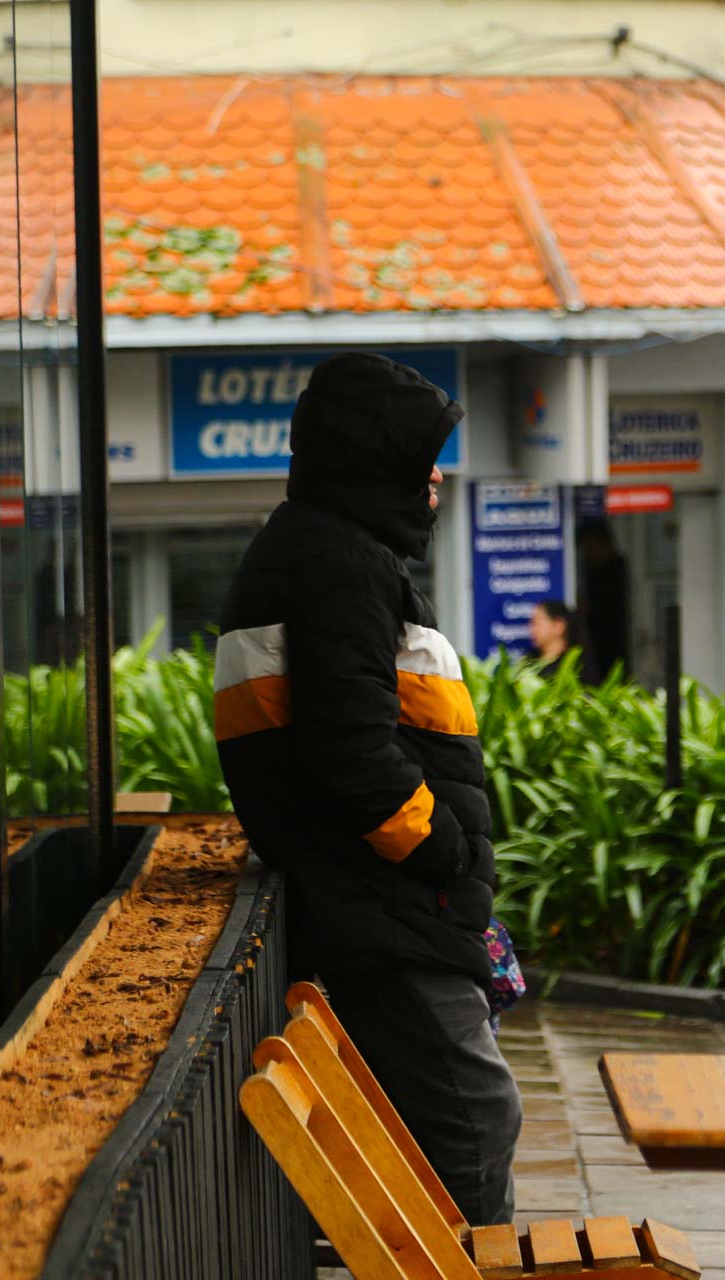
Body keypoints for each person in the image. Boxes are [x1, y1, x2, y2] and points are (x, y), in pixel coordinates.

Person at [214, 353, 520, 1226]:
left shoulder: (324, 551)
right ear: (373, 460)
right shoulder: (338, 563)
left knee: (455, 1122)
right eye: (422, 459)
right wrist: (442, 856)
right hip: (385, 910)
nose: (436, 480)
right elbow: (350, 753)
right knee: (475, 1118)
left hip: (380, 902)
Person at [575, 519, 630, 680]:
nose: (589, 555)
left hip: (616, 642)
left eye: (592, 550)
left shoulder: (617, 571)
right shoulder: (588, 571)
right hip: (596, 644)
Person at [527, 599, 594, 683]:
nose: (532, 630)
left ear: (558, 626)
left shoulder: (578, 665)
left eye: (536, 622)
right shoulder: (528, 663)